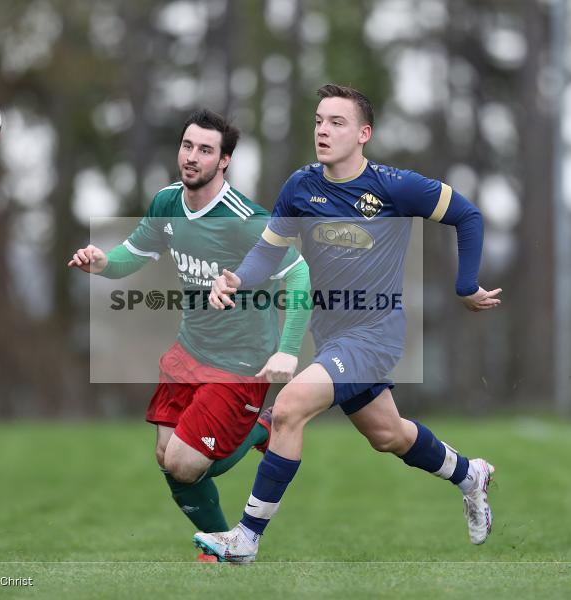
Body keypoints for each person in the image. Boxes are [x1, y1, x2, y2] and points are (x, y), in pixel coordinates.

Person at [194, 84, 502, 563]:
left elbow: (467, 215)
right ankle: (469, 475)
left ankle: (247, 538)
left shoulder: (394, 186)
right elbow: (267, 253)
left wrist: (465, 286)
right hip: (334, 336)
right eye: (319, 120)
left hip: (376, 334)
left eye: (337, 122)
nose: (323, 129)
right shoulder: (300, 187)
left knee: (291, 405)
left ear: (364, 133)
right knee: (389, 435)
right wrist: (236, 278)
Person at [68, 109, 311, 561]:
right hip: (189, 350)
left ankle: (264, 425)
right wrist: (101, 262)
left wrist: (288, 351)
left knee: (186, 463)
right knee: (167, 459)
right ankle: (222, 548)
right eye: (187, 146)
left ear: (224, 162)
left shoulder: (245, 220)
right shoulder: (166, 203)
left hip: (239, 364)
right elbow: (133, 254)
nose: (192, 157)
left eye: (205, 150)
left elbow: (299, 276)